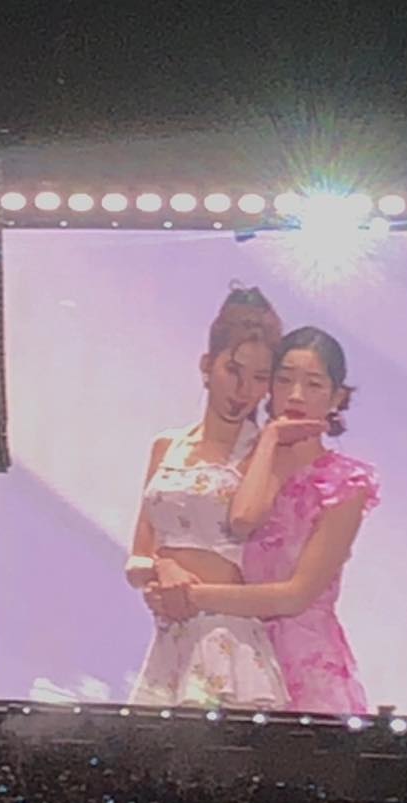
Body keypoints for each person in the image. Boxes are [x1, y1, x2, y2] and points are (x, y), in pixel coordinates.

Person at [149, 327, 379, 715]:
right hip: (227, 651)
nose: (296, 395)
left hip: (302, 667)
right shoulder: (241, 458)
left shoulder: (344, 484)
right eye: (284, 380)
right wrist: (164, 567)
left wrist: (192, 597)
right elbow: (232, 523)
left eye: (313, 384)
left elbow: (295, 596)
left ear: (337, 397)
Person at [124, 285, 290, 709]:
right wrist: (163, 567)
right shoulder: (167, 446)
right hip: (169, 641)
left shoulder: (265, 453)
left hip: (230, 642)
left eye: (259, 378)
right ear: (206, 365)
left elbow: (249, 531)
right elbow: (136, 561)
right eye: (233, 370)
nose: (244, 389)